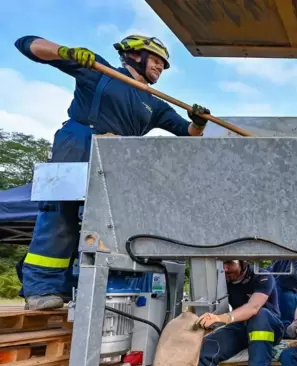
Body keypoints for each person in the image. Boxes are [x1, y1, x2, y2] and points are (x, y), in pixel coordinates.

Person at [14, 35, 210, 311]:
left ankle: (83, 287)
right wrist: (66, 50)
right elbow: (26, 44)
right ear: (133, 56)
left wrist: (198, 123)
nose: (160, 68)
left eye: (163, 65)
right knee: (60, 217)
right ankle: (41, 289)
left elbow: (185, 133)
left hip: (118, 159)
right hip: (80, 142)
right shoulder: (98, 71)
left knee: (105, 222)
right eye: (155, 60)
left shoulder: (153, 103)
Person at [188, 260, 284, 366]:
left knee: (259, 314)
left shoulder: (262, 276)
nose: (225, 268)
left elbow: (253, 307)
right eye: (222, 264)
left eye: (230, 263)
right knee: (204, 348)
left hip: (270, 327)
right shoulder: (222, 281)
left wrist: (222, 318)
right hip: (241, 326)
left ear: (243, 262)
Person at [268, 260, 297, 325]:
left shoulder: (289, 252)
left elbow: (273, 269)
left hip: (283, 288)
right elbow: (290, 271)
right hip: (288, 291)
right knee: (290, 324)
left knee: (285, 323)